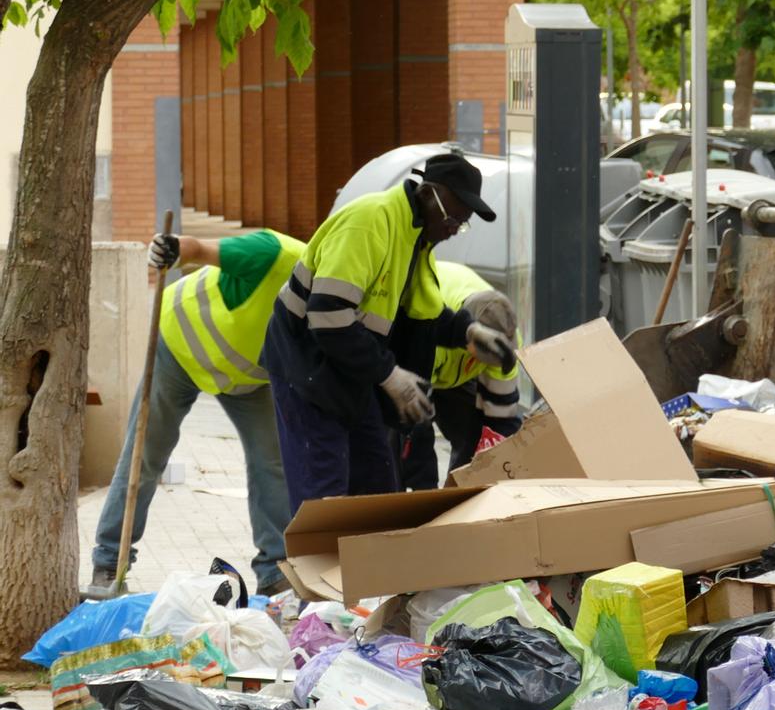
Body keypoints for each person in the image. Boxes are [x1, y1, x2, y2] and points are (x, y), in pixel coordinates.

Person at [263, 152, 516, 515]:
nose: (453, 229)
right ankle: (320, 568)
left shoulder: (416, 236)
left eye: (462, 223)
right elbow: (328, 316)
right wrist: (391, 377)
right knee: (325, 497)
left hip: (350, 369)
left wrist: (469, 332)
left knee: (378, 487)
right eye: (453, 217)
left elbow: (423, 313)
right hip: (307, 368)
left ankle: (369, 567)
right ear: (429, 194)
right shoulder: (370, 223)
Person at [86, 229, 305, 598]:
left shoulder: (337, 299)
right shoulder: (274, 253)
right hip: (180, 346)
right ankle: (110, 563)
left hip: (246, 379)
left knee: (273, 462)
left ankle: (275, 572)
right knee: (146, 454)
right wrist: (169, 247)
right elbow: (197, 248)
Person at [396, 261, 524, 490]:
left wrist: (498, 471)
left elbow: (501, 418)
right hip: (414, 365)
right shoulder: (431, 324)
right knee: (407, 441)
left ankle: (459, 494)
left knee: (473, 434)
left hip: (455, 373)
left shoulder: (504, 343)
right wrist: (425, 494)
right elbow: (414, 420)